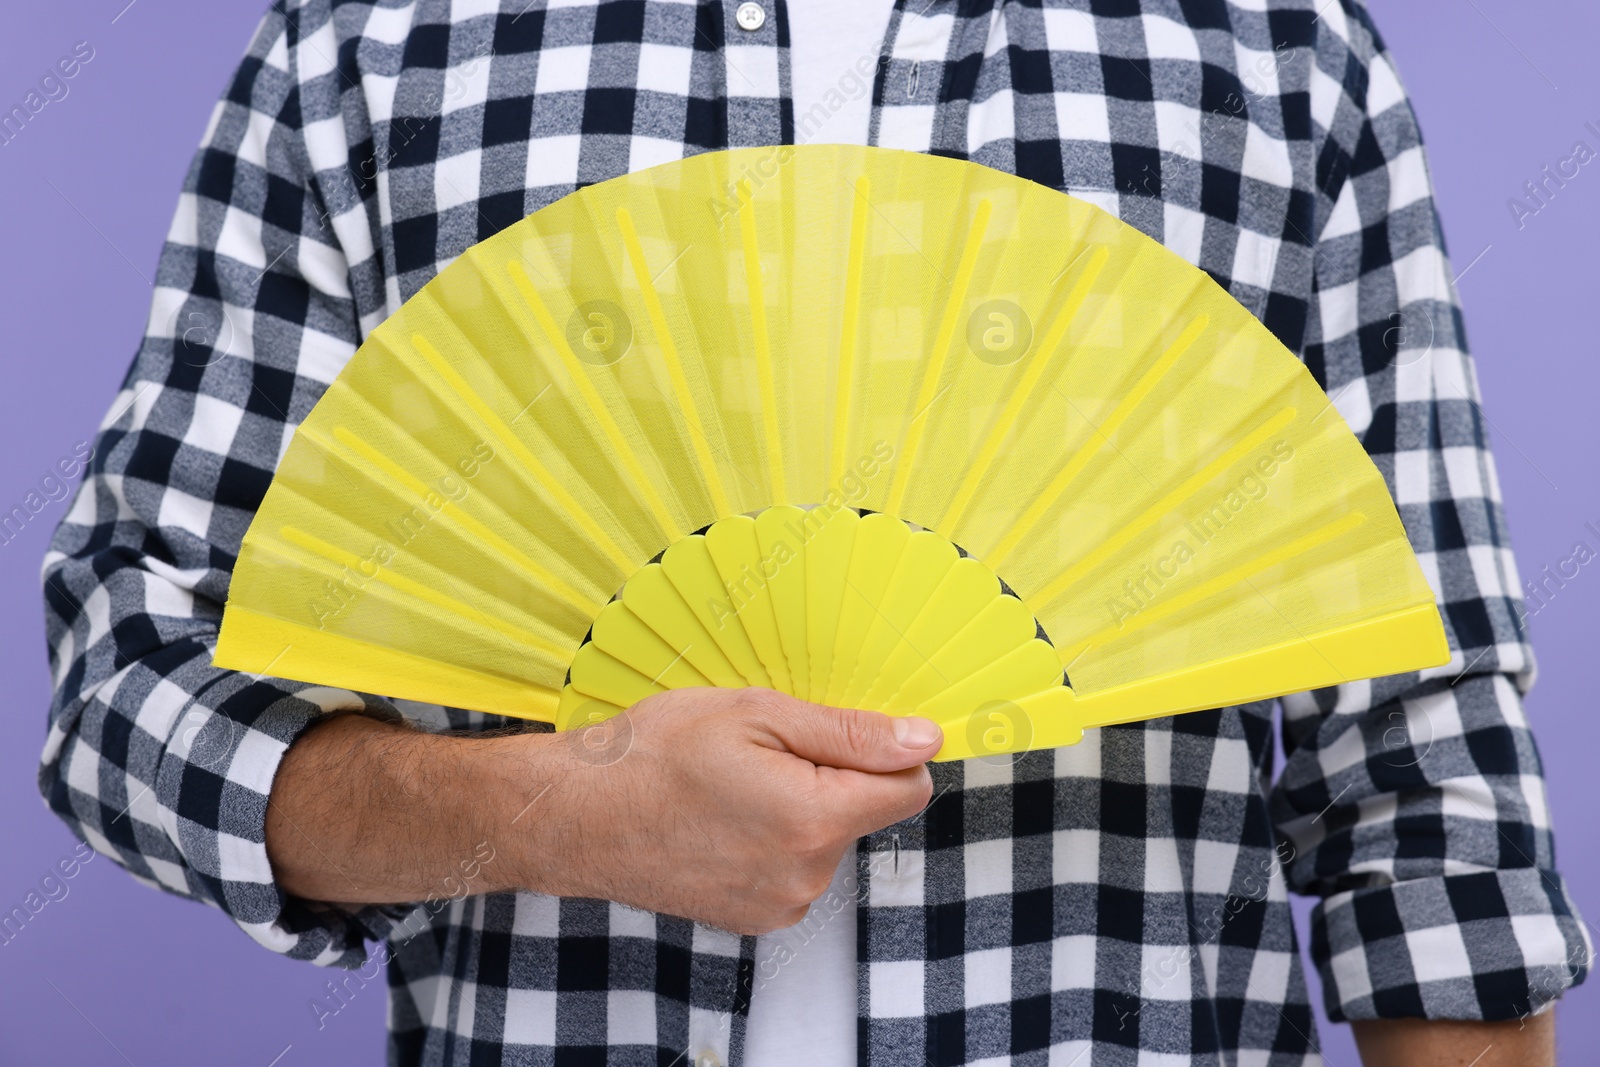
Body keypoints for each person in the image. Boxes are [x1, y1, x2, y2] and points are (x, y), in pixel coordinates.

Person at [38, 1, 1589, 1064]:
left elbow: (1425, 785)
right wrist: (562, 810)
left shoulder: (1272, 47)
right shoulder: (376, 43)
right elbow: (127, 689)